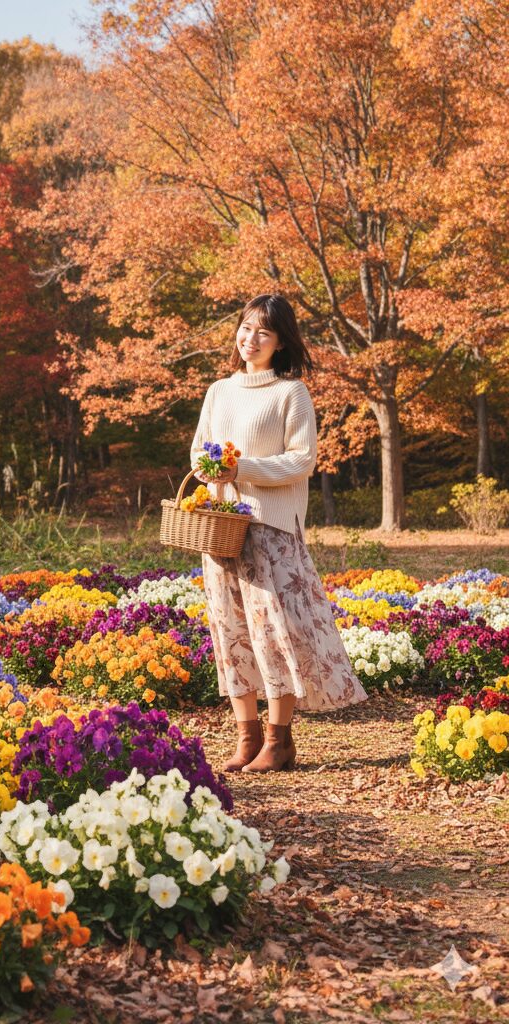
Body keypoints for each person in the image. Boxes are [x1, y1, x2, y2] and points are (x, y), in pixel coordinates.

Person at [189, 293, 368, 773]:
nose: (251, 339)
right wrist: (213, 470)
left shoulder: (291, 394)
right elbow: (197, 456)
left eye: (263, 332)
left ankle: (278, 740)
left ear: (280, 342)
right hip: (220, 528)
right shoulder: (218, 391)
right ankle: (246, 738)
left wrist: (239, 467)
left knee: (275, 635)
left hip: (270, 528)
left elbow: (301, 460)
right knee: (232, 633)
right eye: (246, 328)